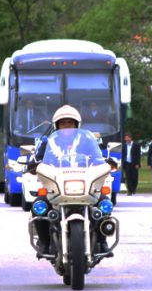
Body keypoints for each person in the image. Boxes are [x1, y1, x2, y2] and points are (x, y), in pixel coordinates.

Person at [32, 105, 111, 255]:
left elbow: (97, 158)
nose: (67, 126)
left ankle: (102, 241)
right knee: (39, 205)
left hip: (84, 184)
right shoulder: (48, 141)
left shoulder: (87, 140)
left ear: (77, 125)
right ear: (57, 125)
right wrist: (33, 163)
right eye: (63, 122)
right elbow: (38, 158)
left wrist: (104, 162)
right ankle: (44, 242)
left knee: (104, 204)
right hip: (58, 185)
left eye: (70, 122)